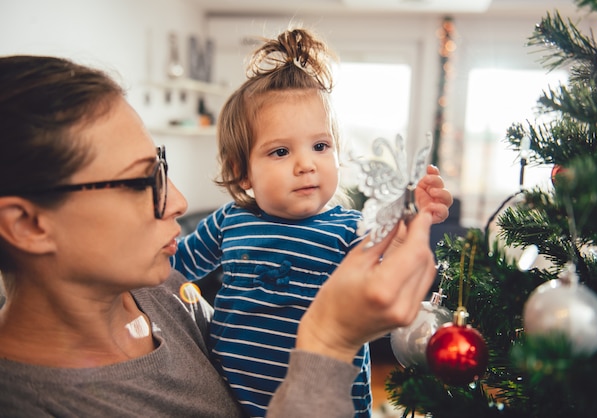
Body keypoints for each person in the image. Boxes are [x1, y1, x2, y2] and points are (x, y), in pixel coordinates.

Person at [0, 54, 446, 417]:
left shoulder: (161, 292)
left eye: (162, 169)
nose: (177, 201)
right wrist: (327, 343)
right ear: (28, 224)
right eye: (141, 181)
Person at [172, 28, 452, 417]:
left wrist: (410, 229)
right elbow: (171, 270)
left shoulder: (352, 229)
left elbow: (387, 286)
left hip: (328, 400)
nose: (306, 164)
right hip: (233, 400)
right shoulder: (228, 222)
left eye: (320, 146)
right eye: (281, 151)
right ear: (242, 174)